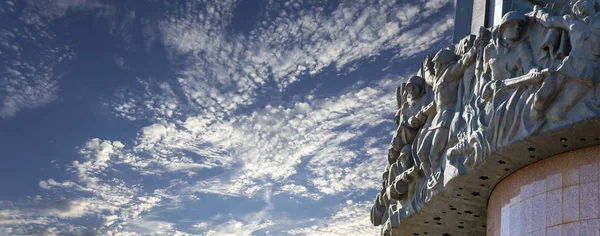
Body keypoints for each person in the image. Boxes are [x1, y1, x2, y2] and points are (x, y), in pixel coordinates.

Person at [529, 1, 600, 121]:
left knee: (556, 113)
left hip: (586, 73)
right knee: (539, 98)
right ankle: (528, 127)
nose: (579, 7)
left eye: (582, 1)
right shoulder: (571, 21)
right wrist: (538, 13)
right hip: (566, 66)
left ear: (593, 3)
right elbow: (550, 20)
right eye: (575, 6)